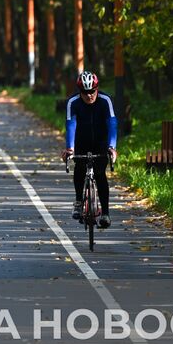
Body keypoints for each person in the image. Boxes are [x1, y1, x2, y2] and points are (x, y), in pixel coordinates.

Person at [61, 71, 118, 228]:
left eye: (92, 91)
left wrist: (112, 147)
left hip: (101, 141)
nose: (89, 96)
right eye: (85, 92)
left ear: (97, 88)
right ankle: (79, 201)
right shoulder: (73, 102)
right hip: (81, 141)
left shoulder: (105, 100)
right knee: (79, 168)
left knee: (100, 174)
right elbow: (71, 125)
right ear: (80, 91)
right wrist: (70, 148)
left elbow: (112, 123)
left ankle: (105, 213)